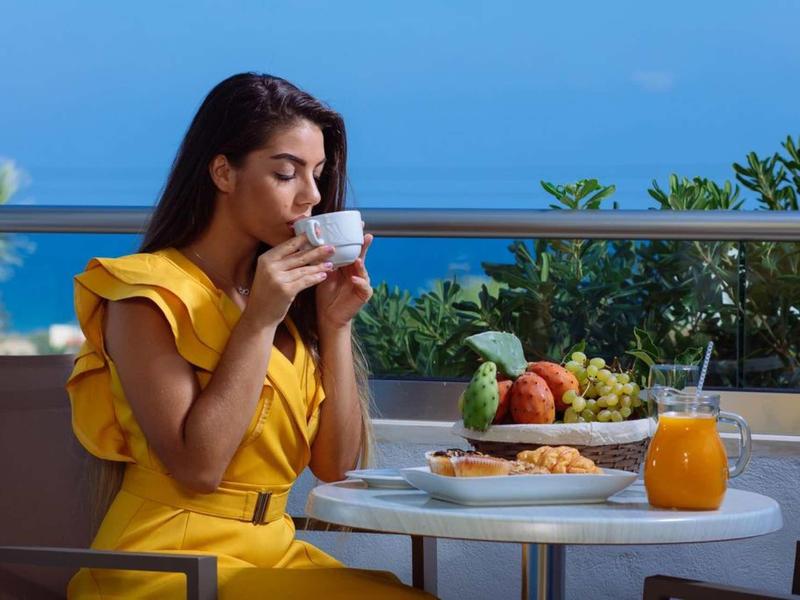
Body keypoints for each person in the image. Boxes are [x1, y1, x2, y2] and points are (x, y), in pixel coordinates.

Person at [66, 72, 433, 599]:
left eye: (319, 174)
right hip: (169, 561)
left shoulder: (282, 297)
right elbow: (198, 468)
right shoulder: (144, 295)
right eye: (287, 174)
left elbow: (336, 468)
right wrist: (259, 319)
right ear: (223, 172)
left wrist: (334, 326)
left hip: (274, 552)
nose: (311, 197)